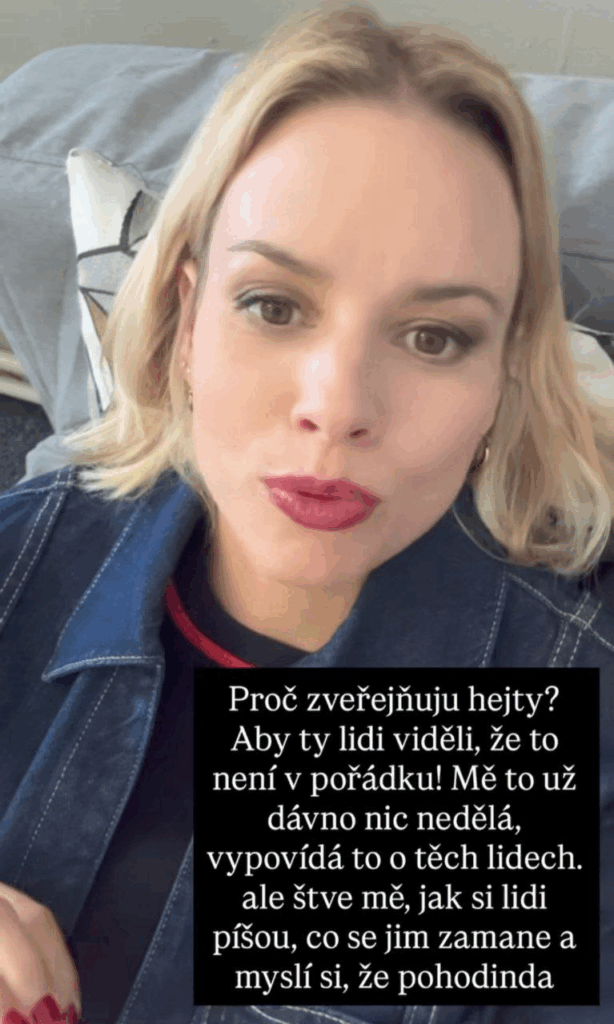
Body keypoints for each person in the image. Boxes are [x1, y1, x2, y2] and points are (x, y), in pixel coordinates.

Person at [0, 2, 613, 1023]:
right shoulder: (24, 561)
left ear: (505, 373)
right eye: (273, 306)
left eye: (432, 337)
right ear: (185, 319)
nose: (335, 406)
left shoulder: (559, 713)